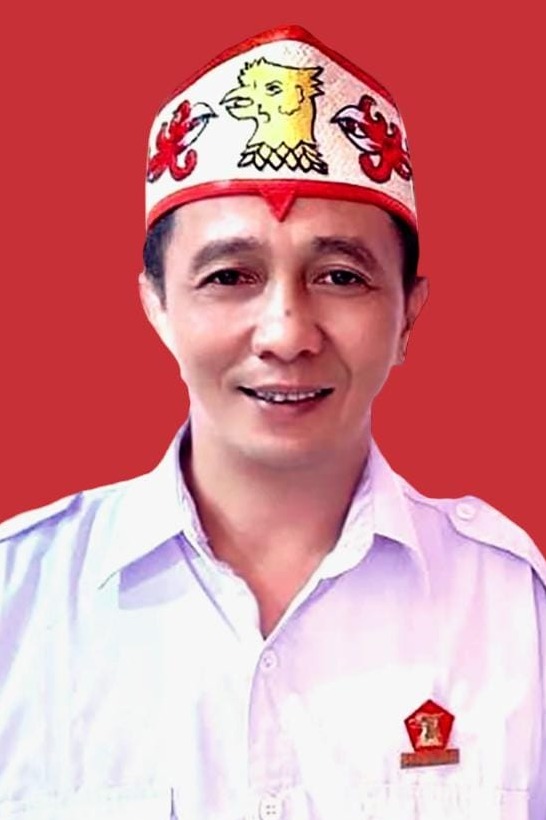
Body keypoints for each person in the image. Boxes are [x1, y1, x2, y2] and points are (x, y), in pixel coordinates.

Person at [0, 24, 544, 820]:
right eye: (230, 276)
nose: (287, 333)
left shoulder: (514, 609)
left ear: (409, 315)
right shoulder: (20, 602)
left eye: (340, 277)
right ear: (156, 305)